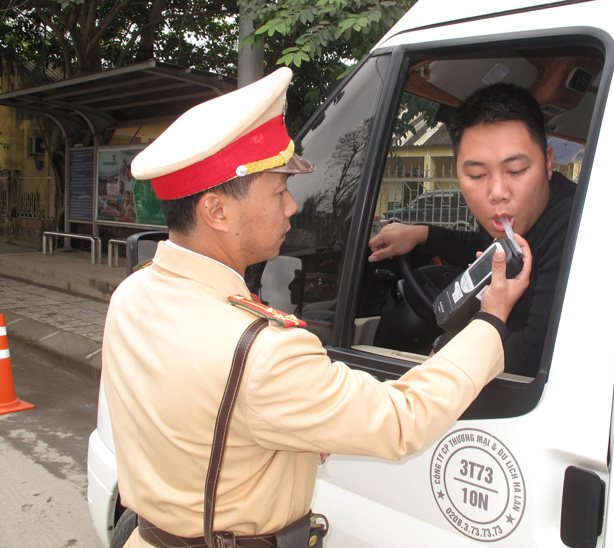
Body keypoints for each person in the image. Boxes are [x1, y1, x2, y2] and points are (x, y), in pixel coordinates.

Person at [102, 67, 531, 548]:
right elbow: (401, 419)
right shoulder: (262, 352)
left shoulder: (134, 293)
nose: (291, 207)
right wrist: (492, 317)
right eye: (279, 191)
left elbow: (195, 423)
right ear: (217, 211)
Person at [368, 83, 575, 376]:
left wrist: (447, 349)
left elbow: (536, 353)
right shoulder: (510, 219)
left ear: (548, 163)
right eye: (477, 175)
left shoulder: (573, 229)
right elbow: (479, 247)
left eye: (515, 171)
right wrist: (420, 234)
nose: (497, 192)